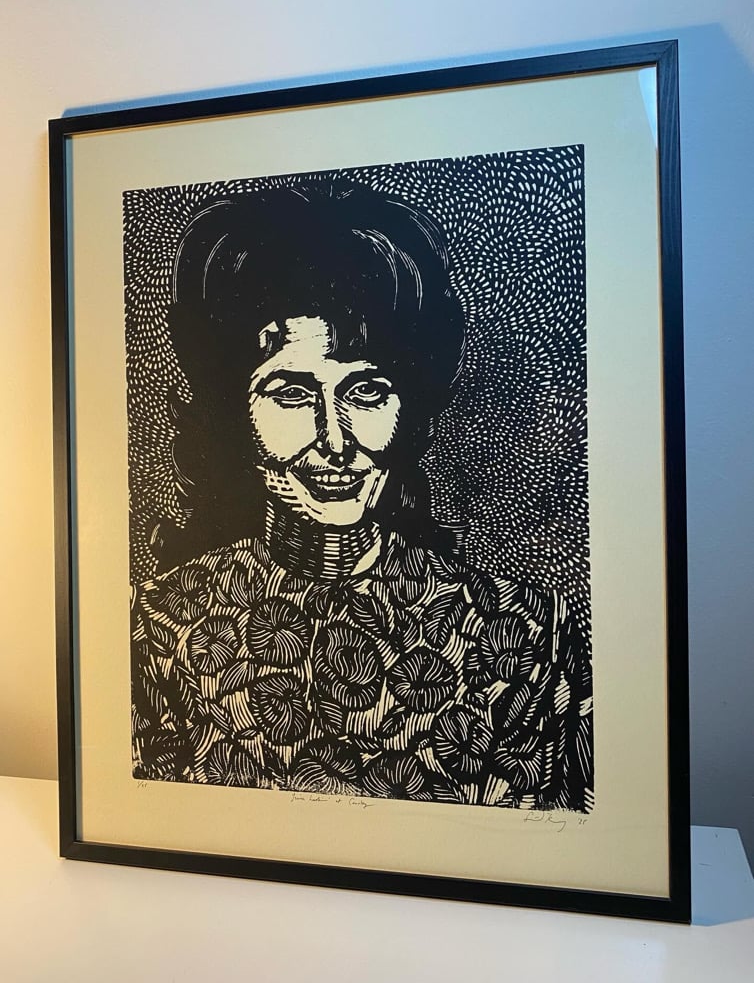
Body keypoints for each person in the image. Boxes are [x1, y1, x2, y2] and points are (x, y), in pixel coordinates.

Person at [130, 182, 593, 810]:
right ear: (231, 412)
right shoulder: (157, 626)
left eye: (367, 392)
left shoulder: (525, 633)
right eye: (292, 395)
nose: (335, 441)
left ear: (411, 406)